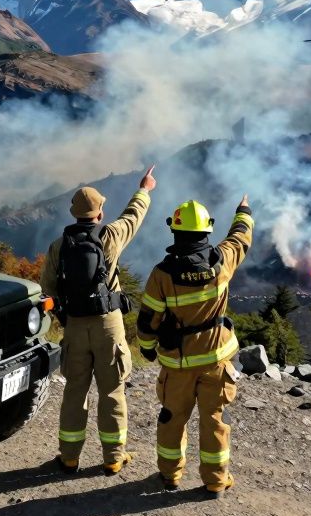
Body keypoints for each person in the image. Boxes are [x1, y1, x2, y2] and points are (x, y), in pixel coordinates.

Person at [39, 166, 156, 475]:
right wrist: (144, 189)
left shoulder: (59, 246)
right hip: (109, 326)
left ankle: (69, 457)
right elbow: (133, 216)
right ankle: (114, 457)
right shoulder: (111, 236)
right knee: (112, 392)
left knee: (74, 392)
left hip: (75, 326)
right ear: (100, 213)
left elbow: (47, 288)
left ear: (74, 213)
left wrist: (64, 318)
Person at [135, 194, 253, 498]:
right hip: (217, 361)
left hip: (177, 364)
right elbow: (240, 237)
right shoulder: (223, 260)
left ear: (174, 231)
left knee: (172, 418)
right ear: (207, 230)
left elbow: (149, 320)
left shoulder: (162, 275)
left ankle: (169, 476)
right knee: (214, 420)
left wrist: (147, 348)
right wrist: (243, 210)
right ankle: (215, 481)